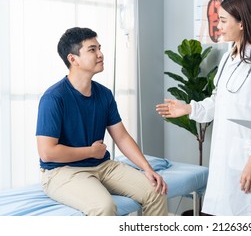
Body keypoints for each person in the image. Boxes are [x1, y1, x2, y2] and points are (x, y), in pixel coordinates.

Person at [156, 0, 251, 216]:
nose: (218, 25)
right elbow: (217, 101)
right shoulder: (227, 58)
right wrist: (189, 108)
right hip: (225, 155)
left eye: (223, 20)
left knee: (249, 215)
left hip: (249, 157)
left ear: (241, 22)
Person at [36, 27, 168, 216]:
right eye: (92, 50)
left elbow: (121, 137)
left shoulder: (104, 94)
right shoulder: (54, 98)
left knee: (156, 191)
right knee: (104, 207)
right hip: (62, 171)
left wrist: (147, 168)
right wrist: (91, 151)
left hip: (102, 166)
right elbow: (47, 153)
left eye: (99, 48)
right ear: (73, 59)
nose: (100, 54)